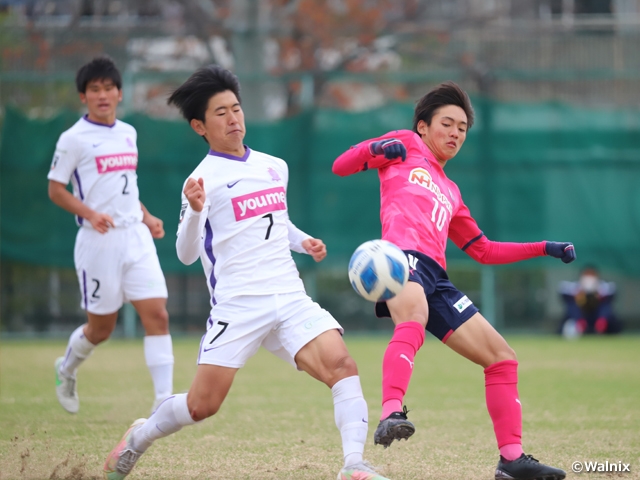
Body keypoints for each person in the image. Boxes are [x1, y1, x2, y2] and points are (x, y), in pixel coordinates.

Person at [103, 65, 389, 480]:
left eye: (236, 108)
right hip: (239, 305)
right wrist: (196, 212)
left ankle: (353, 466)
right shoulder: (201, 180)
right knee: (202, 406)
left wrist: (303, 240)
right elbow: (185, 254)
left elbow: (275, 220)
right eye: (220, 113)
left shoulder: (275, 166)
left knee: (342, 365)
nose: (233, 118)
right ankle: (138, 438)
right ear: (200, 125)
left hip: (288, 296)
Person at [332, 81, 575, 480]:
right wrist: (375, 151)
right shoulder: (405, 144)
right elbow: (341, 165)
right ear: (424, 126)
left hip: (437, 277)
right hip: (399, 261)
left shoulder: (451, 191)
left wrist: (544, 246)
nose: (456, 133)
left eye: (462, 128)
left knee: (502, 357)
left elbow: (484, 250)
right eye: (448, 123)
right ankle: (391, 411)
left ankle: (511, 461)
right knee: (413, 315)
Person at [47, 56, 174, 415]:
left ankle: (163, 400)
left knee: (158, 316)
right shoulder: (73, 139)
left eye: (108, 88)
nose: (102, 95)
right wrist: (89, 213)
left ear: (119, 93)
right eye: (94, 90)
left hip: (135, 235)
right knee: (101, 328)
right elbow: (56, 189)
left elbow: (126, 187)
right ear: (83, 97)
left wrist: (147, 217)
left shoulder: (128, 133)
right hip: (97, 241)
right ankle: (67, 369)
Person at [558, 265, 621, 336]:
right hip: (580, 319)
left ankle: (601, 324)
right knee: (572, 306)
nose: (589, 278)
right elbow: (562, 289)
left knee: (606, 307)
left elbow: (612, 291)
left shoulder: (602, 286)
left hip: (597, 318)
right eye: (587, 274)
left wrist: (597, 293)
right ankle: (580, 324)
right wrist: (580, 293)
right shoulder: (576, 286)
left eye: (592, 275)